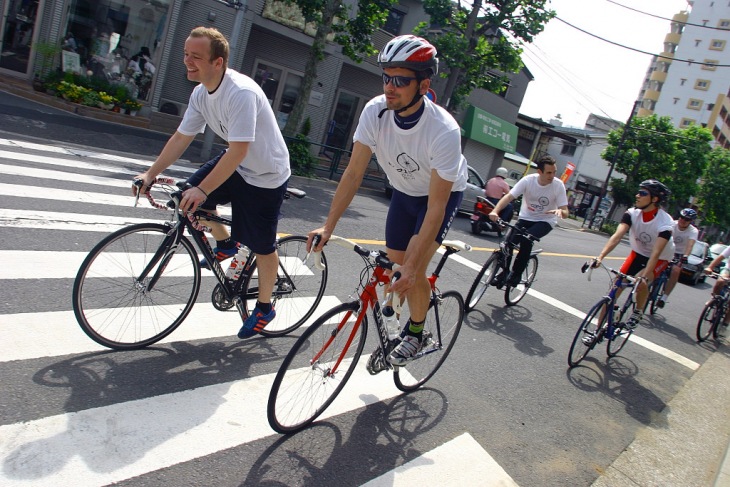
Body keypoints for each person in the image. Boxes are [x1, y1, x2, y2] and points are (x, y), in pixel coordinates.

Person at [307, 35, 468, 366]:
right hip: (405, 193)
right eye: (386, 77)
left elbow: (436, 208)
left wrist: (411, 266)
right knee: (394, 270)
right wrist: (329, 224)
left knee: (414, 267)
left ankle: (417, 332)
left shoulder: (443, 131)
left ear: (423, 85)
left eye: (401, 80)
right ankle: (394, 331)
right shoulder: (374, 111)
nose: (390, 87)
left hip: (439, 197)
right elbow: (352, 174)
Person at [133, 26, 290, 339]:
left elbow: (240, 149)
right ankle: (227, 243)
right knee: (186, 198)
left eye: (197, 57)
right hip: (236, 160)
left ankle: (264, 307)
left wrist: (203, 188)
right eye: (186, 55)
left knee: (262, 245)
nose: (188, 62)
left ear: (218, 62)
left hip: (265, 174)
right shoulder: (200, 92)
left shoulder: (240, 93)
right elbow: (182, 137)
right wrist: (150, 173)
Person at [591, 180, 675, 329]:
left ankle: (638, 310)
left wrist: (643, 277)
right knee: (614, 290)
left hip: (660, 258)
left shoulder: (665, 223)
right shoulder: (632, 213)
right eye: (638, 192)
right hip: (638, 253)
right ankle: (596, 332)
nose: (637, 195)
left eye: (643, 193)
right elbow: (617, 236)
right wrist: (600, 257)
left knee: (640, 282)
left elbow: (656, 253)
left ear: (654, 199)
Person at [488, 155, 569, 287]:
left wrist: (561, 212)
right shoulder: (528, 181)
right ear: (539, 172)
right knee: (508, 244)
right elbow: (509, 197)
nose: (552, 175)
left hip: (545, 221)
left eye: (554, 172)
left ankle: (516, 274)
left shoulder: (558, 185)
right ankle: (504, 272)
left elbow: (565, 212)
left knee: (527, 239)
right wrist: (495, 211)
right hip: (526, 218)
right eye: (549, 172)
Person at [659, 208, 699, 308]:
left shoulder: (693, 231)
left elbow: (690, 245)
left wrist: (685, 256)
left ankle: (664, 297)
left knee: (676, 271)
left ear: (691, 222)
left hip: (680, 254)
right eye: (681, 217)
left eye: (686, 219)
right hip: (667, 248)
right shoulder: (673, 224)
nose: (683, 220)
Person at [703, 245, 730, 331]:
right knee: (720, 281)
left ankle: (725, 322)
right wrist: (710, 267)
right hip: (728, 270)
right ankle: (714, 298)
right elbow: (720, 257)